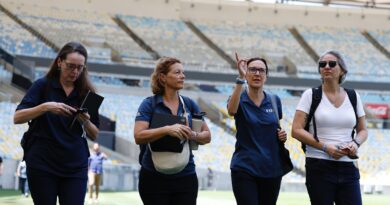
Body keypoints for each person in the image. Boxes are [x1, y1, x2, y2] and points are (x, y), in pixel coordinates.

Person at [13, 42, 100, 205]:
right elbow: (17, 117)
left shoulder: (88, 94)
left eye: (80, 67)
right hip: (42, 163)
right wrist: (46, 107)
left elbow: (95, 134)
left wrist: (85, 122)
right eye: (70, 66)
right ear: (59, 62)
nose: (75, 72)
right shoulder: (42, 86)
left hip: (75, 165)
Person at [291, 50, 368, 205]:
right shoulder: (310, 95)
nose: (326, 67)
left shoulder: (353, 96)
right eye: (322, 64)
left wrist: (355, 144)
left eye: (332, 64)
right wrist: (326, 147)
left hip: (348, 165)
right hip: (319, 165)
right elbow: (296, 130)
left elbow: (363, 130)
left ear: (342, 70)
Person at [134, 57, 211, 205]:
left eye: (183, 72)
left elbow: (207, 136)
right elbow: (138, 136)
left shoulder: (189, 103)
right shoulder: (149, 104)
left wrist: (193, 134)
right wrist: (167, 130)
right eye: (177, 72)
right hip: (153, 178)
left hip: (186, 176)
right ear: (163, 77)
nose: (183, 76)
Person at [227, 53, 288, 205]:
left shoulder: (274, 100)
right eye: (252, 69)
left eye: (261, 70)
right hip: (245, 167)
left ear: (266, 76)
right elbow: (231, 111)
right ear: (246, 74)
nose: (257, 73)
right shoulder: (238, 97)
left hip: (271, 169)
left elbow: (274, 127)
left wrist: (282, 135)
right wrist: (240, 79)